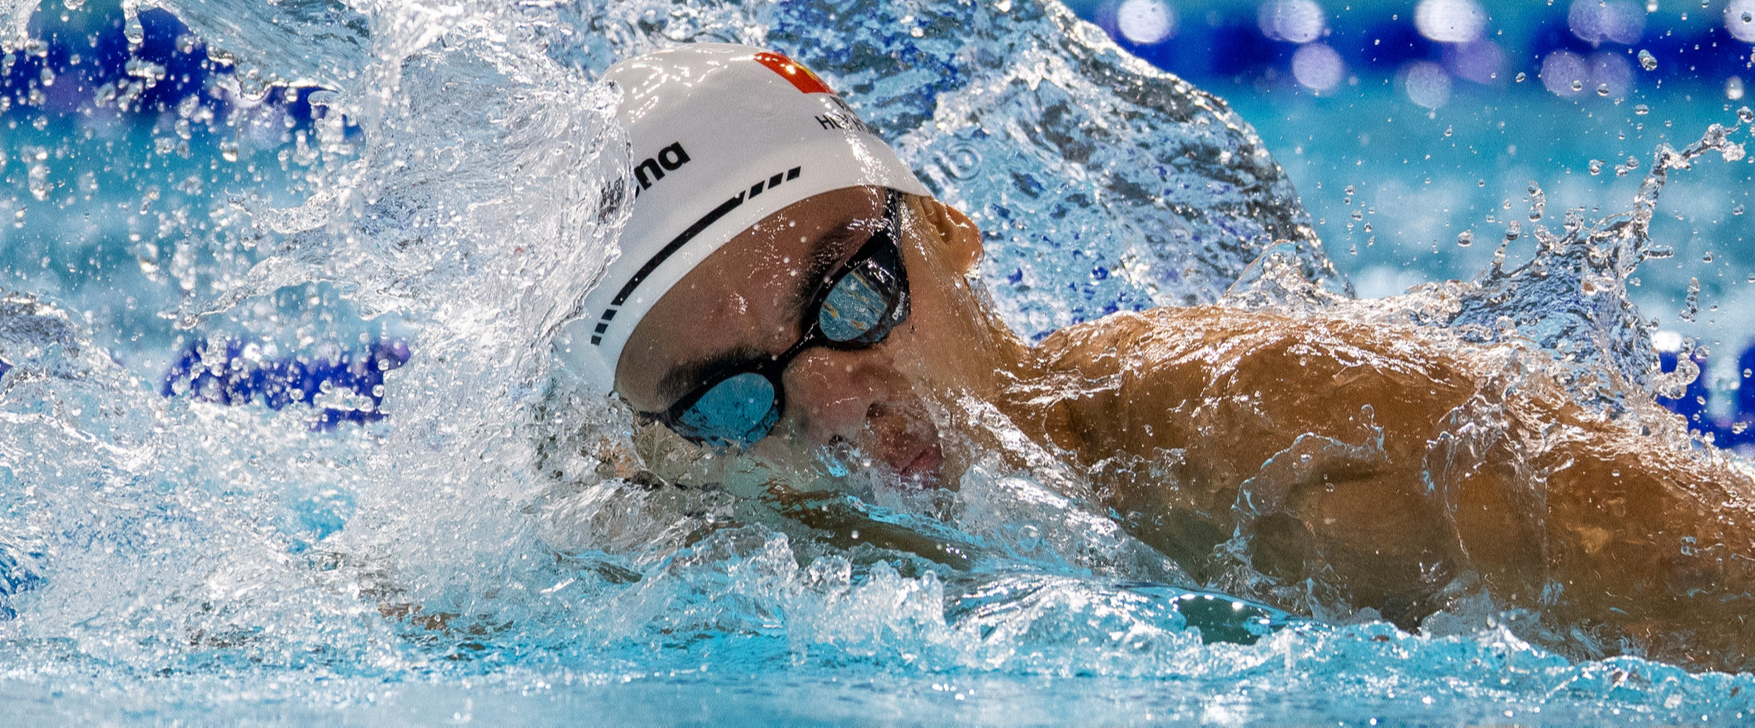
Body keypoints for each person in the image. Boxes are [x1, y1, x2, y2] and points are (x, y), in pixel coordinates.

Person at [557, 43, 1755, 672]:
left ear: (949, 230)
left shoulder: (1275, 441)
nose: (833, 407)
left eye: (854, 296)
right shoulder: (692, 540)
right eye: (730, 402)